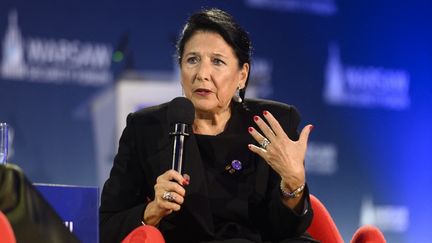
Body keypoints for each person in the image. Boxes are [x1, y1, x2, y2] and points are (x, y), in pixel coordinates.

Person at [100, 8, 317, 243]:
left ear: (242, 75)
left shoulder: (272, 123)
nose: (202, 74)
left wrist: (293, 185)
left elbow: (286, 231)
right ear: (180, 67)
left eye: (217, 62)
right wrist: (152, 211)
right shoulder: (146, 128)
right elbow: (107, 226)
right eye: (192, 60)